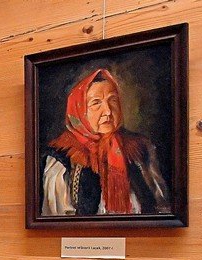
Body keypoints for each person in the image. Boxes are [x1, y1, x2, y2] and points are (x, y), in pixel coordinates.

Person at [41, 68, 170, 216]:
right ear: (79, 109)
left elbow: (162, 206)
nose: (108, 111)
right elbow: (56, 219)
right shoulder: (62, 156)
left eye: (113, 100)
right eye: (96, 103)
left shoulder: (140, 147)